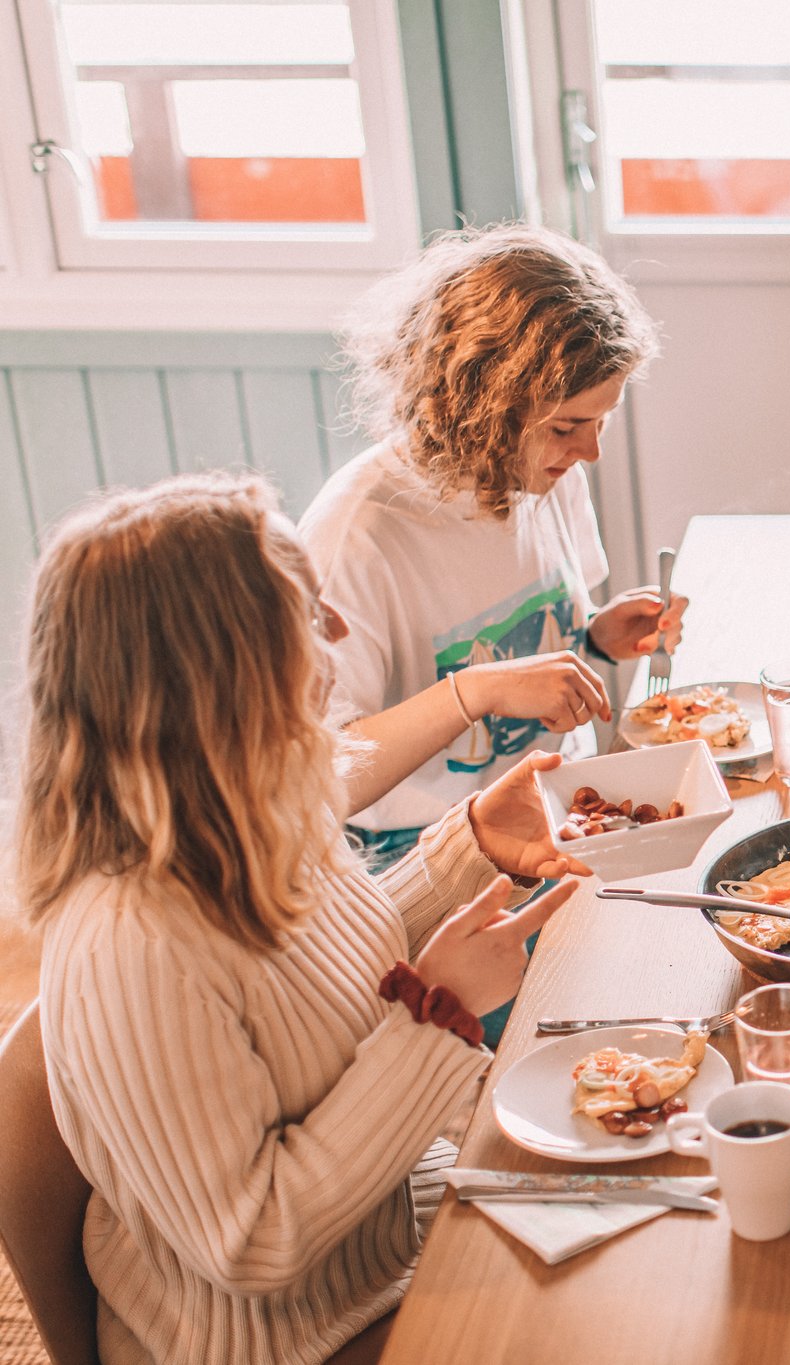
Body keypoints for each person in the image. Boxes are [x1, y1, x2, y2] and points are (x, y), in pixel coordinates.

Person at [15, 473, 589, 1365]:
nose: (338, 632)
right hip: (285, 1338)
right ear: (215, 675)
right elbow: (254, 1243)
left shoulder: (251, 804)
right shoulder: (129, 944)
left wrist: (468, 842)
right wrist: (433, 1012)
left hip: (391, 1232)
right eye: (305, 613)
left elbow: (314, 980)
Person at [300, 222, 678, 868]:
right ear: (481, 406)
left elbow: (527, 649)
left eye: (601, 422)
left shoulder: (546, 471)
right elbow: (319, 778)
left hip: (564, 804)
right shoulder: (359, 533)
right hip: (421, 848)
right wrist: (471, 693)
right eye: (568, 426)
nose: (590, 451)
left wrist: (590, 640)